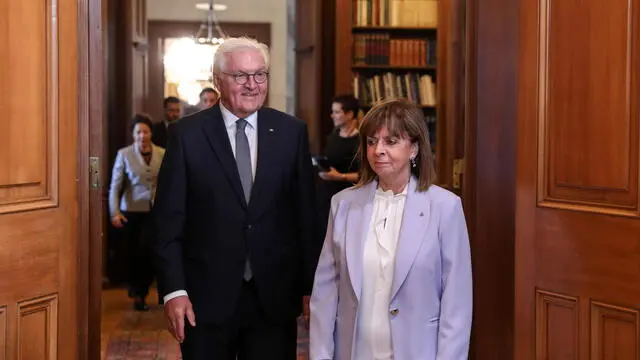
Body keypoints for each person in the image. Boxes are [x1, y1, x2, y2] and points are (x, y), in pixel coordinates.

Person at [153, 37, 318, 360]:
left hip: (273, 298)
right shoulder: (186, 135)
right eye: (240, 76)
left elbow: (306, 218)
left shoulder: (291, 132)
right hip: (204, 298)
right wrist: (174, 290)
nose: (252, 84)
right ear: (217, 80)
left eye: (260, 75)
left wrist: (312, 287)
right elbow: (168, 222)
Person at [310, 99, 472, 360]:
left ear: (414, 148)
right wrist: (320, 355)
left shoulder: (445, 208)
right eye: (372, 141)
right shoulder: (343, 205)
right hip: (354, 351)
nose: (378, 150)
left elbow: (457, 302)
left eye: (391, 141)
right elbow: (325, 293)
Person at [109, 113, 165, 311]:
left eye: (146, 131)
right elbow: (115, 187)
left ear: (151, 133)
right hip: (131, 211)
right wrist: (114, 212)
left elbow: (168, 183)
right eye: (138, 132)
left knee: (150, 252)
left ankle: (146, 288)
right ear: (133, 135)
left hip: (155, 211)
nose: (142, 135)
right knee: (135, 254)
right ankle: (138, 293)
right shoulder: (124, 154)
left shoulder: (161, 153)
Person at [315, 94, 361, 245]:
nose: (332, 115)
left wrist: (340, 176)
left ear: (349, 114)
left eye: (336, 112)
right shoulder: (334, 135)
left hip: (349, 198)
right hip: (327, 195)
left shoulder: (360, 140)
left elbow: (364, 175)